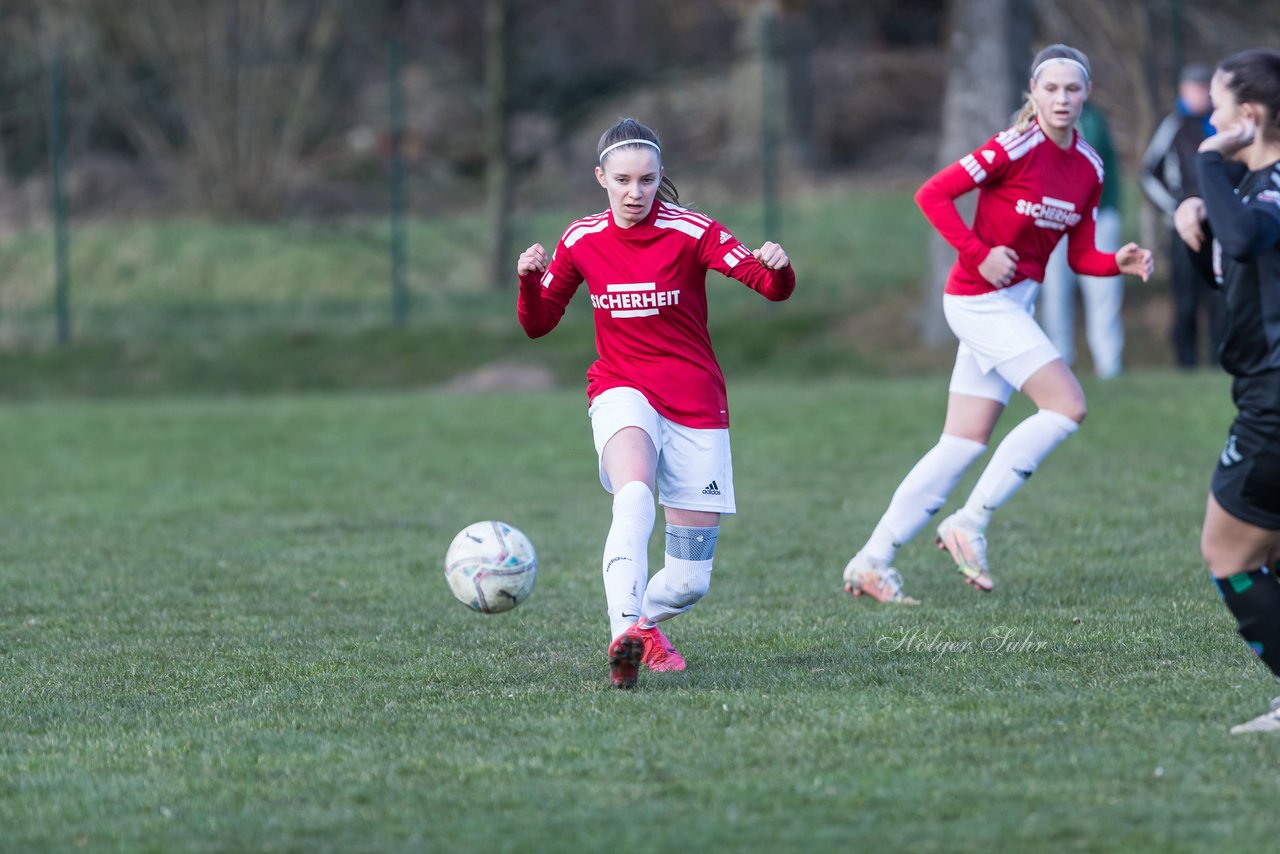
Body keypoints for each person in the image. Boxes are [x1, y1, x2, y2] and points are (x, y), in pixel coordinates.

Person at [841, 44, 1153, 604]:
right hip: (977, 299)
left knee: (960, 444)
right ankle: (970, 522)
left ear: (1086, 95)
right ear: (1032, 94)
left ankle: (872, 559)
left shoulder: (1090, 166)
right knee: (1067, 406)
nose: (1061, 98)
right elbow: (931, 194)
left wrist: (1116, 263)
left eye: (1072, 89)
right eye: (1050, 88)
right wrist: (978, 250)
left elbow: (1079, 256)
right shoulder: (1015, 146)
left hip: (1014, 307)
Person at [516, 117, 795, 688]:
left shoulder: (692, 231)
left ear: (661, 176)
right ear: (601, 178)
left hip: (696, 403)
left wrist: (778, 266)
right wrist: (528, 280)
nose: (634, 193)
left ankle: (643, 624)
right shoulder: (581, 239)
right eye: (622, 180)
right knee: (635, 492)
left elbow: (769, 288)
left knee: (690, 581)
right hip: (621, 387)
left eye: (646, 180)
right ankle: (622, 637)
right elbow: (539, 323)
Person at [1172, 48, 1280, 734]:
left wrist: (1208, 163)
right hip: (1262, 387)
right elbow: (1237, 272)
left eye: (1216, 109)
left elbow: (1244, 242)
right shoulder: (1253, 186)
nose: (1207, 121)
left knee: (1228, 553)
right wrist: (1197, 228)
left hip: (1275, 400)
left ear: (1250, 116)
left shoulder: (1268, 185)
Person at [1142, 64, 1228, 369]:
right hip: (1184, 229)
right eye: (1194, 88)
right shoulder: (1173, 124)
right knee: (1187, 300)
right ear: (1183, 91)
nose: (1200, 94)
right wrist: (1177, 208)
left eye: (1205, 88)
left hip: (1222, 225)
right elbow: (1149, 173)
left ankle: (1219, 363)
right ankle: (1186, 365)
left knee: (1221, 297)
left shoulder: (1222, 123)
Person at [1039, 101, 1125, 379]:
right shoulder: (1027, 122)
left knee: (1103, 289)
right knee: (1054, 291)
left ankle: (1109, 363)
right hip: (1052, 217)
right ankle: (1058, 362)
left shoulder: (1092, 122)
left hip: (1097, 216)